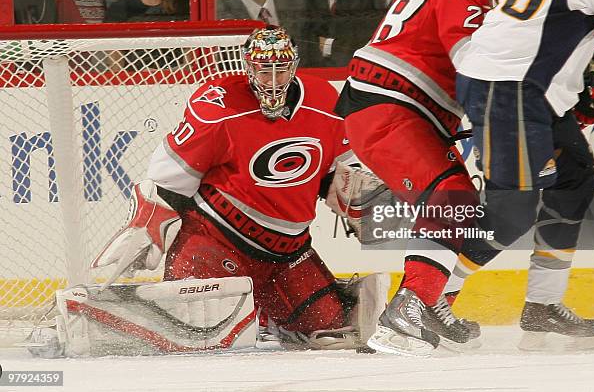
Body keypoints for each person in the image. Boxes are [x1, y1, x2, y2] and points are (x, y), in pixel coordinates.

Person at [89, 25, 386, 351]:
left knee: (336, 332)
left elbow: (332, 174)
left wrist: (363, 202)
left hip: (288, 254)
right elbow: (166, 183)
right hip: (215, 244)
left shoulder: (326, 101)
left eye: (281, 69)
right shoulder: (220, 105)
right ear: (248, 66)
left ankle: (271, 315)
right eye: (263, 70)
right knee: (196, 339)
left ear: (295, 65)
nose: (273, 81)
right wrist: (145, 227)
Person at [335, 0, 520, 356]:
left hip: (397, 110)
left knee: (463, 205)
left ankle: (432, 300)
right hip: (392, 107)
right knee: (453, 199)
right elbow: (470, 63)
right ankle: (410, 306)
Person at [451, 0, 594, 349]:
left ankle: (542, 305)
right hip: (511, 89)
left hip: (526, 90)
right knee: (513, 208)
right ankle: (427, 300)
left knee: (574, 179)